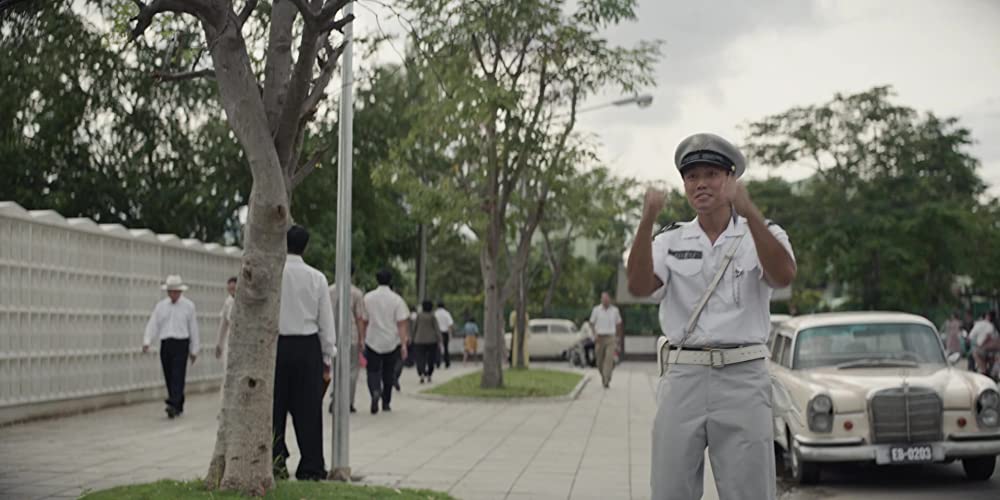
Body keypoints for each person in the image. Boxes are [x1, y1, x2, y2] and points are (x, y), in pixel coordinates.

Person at [626, 132, 796, 500]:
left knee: (749, 490)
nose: (700, 183)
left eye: (712, 174)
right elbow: (639, 285)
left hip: (743, 377)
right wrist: (646, 221)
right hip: (683, 375)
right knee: (670, 488)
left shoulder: (763, 234)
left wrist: (751, 213)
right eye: (691, 176)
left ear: (732, 179)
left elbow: (782, 276)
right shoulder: (671, 239)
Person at [273, 225, 336, 481]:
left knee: (274, 409)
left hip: (277, 346)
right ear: (306, 246)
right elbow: (325, 320)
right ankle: (311, 465)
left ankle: (275, 462)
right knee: (309, 410)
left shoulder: (274, 274)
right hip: (308, 346)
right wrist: (327, 356)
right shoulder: (317, 278)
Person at [143, 274, 200, 419]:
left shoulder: (189, 306)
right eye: (171, 291)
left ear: (180, 292)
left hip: (181, 342)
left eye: (176, 291)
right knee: (169, 374)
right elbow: (153, 324)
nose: (173, 294)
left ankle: (173, 404)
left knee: (178, 374)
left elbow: (193, 328)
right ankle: (177, 402)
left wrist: (194, 350)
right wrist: (147, 341)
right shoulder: (161, 306)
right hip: (166, 343)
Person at [363, 269, 410, 414]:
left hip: (372, 339)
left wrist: (362, 338)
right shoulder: (397, 300)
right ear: (390, 281)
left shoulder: (368, 298)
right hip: (391, 340)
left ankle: (375, 391)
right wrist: (403, 344)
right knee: (388, 372)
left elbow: (364, 320)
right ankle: (386, 402)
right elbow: (401, 323)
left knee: (372, 370)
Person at [329, 264, 368, 414]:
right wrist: (362, 338)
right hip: (351, 336)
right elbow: (359, 318)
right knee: (352, 370)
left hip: (332, 335)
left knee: (336, 369)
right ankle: (348, 401)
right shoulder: (356, 293)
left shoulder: (329, 290)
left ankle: (336, 398)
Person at [588, 291, 623, 388]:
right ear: (601, 300)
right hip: (599, 337)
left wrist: (618, 338)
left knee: (608, 359)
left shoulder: (615, 311)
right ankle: (605, 376)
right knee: (599, 362)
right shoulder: (596, 310)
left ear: (609, 300)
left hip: (611, 337)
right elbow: (591, 323)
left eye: (607, 299)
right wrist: (594, 335)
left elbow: (619, 324)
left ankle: (606, 380)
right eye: (603, 299)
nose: (605, 301)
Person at [412, 300, 442, 383]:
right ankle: (429, 374)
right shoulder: (432, 316)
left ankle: (421, 373)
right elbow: (436, 329)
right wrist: (440, 339)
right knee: (431, 358)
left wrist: (412, 337)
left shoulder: (419, 316)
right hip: (432, 341)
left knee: (420, 358)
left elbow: (414, 327)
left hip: (419, 340)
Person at [214, 276, 237, 362]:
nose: (232, 291)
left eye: (234, 288)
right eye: (230, 289)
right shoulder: (228, 302)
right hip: (231, 340)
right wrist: (219, 344)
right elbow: (223, 325)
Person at [434, 301, 455, 369]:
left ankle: (437, 363)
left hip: (437, 332)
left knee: (437, 348)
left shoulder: (435, 313)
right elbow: (450, 324)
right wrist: (450, 334)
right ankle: (447, 363)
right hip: (445, 332)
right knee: (446, 348)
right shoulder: (446, 313)